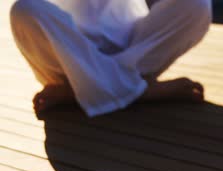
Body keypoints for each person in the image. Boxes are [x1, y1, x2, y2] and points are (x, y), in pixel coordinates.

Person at [10, 0, 212, 117]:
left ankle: (83, 92)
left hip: (131, 50)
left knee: (196, 3)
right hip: (69, 56)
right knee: (24, 9)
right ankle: (142, 91)